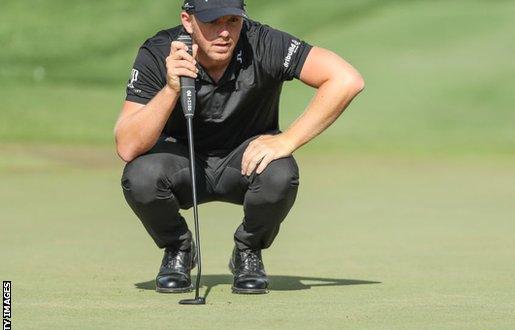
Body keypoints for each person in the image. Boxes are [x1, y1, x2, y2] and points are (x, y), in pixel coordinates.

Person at [114, 0, 364, 294]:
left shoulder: (264, 42)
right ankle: (178, 250)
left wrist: (288, 140)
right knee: (140, 176)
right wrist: (171, 88)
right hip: (183, 162)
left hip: (244, 161)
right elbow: (127, 146)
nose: (224, 33)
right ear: (187, 20)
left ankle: (248, 252)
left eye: (232, 21)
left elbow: (346, 79)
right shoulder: (158, 51)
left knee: (280, 174)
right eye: (212, 22)